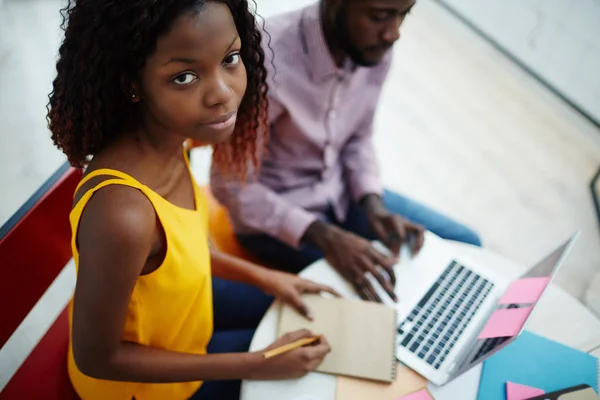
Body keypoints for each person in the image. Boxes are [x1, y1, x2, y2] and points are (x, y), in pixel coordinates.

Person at [48, 1, 337, 399]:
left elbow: (176, 257)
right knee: (312, 378)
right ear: (131, 83)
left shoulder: (170, 140)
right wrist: (258, 364)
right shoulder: (123, 214)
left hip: (186, 319)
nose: (222, 93)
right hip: (142, 388)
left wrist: (266, 277)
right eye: (184, 76)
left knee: (321, 328)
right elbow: (97, 357)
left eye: (230, 58)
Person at [211, 0, 482, 303]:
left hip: (342, 194)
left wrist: (372, 204)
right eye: (380, 16)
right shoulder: (265, 58)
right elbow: (230, 184)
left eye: (404, 14)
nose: (393, 34)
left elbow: (358, 137)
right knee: (380, 304)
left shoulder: (371, 48)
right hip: (277, 220)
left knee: (465, 245)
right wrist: (323, 235)